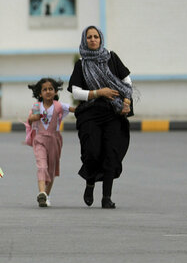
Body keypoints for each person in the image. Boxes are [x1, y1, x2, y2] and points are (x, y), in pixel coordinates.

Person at [67, 25, 133, 209]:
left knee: (111, 153)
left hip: (113, 112)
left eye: (96, 36)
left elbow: (127, 81)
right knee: (92, 152)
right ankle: (90, 182)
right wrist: (99, 92)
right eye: (89, 37)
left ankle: (106, 197)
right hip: (90, 113)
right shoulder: (81, 64)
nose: (93, 39)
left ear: (101, 39)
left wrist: (126, 101)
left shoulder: (112, 58)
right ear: (84, 40)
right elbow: (76, 92)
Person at [25, 78, 75, 207]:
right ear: (40, 93)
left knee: (51, 170)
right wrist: (32, 118)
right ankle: (41, 192)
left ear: (55, 92)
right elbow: (30, 120)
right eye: (45, 89)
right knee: (42, 166)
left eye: (50, 89)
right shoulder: (37, 106)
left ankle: (46, 195)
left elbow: (73, 109)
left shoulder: (59, 106)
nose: (48, 91)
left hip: (55, 140)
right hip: (40, 139)